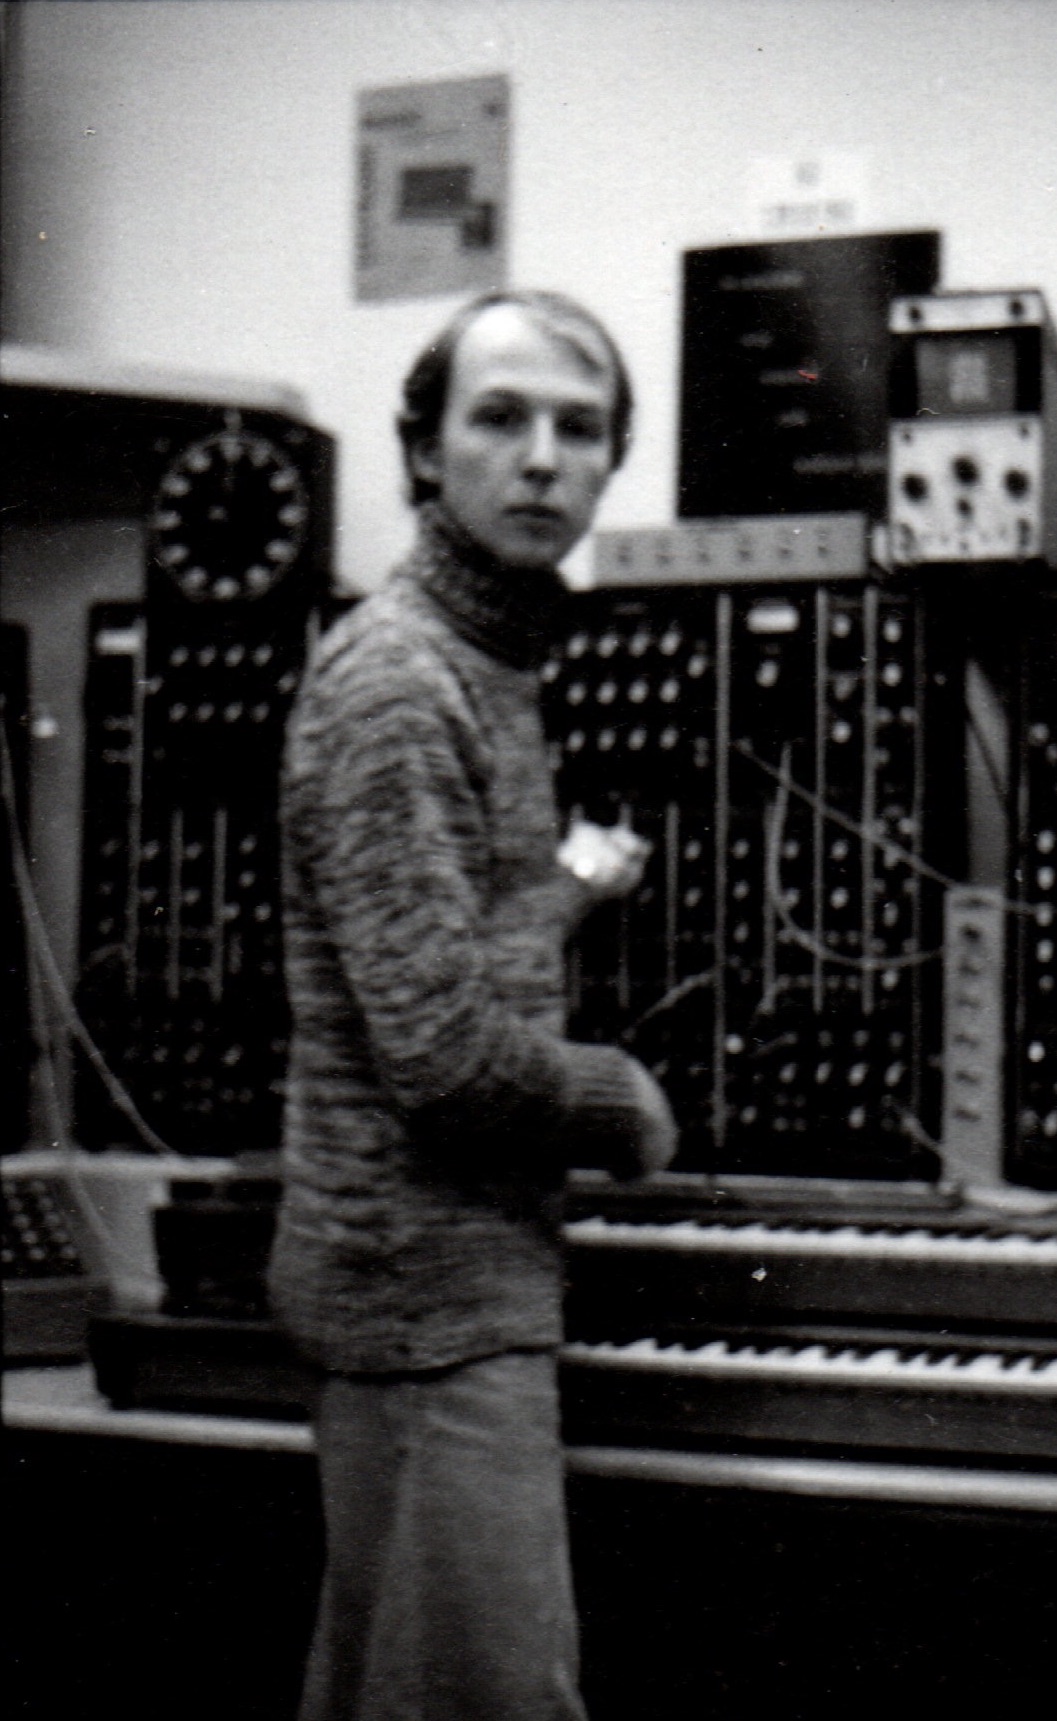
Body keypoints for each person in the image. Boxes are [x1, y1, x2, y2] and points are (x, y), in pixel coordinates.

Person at [268, 288, 678, 1721]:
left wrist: (562, 890)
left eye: (580, 427)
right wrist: (621, 1100)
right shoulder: (402, 681)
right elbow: (445, 1059)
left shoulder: (482, 660)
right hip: (425, 1301)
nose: (544, 458)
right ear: (424, 453)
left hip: (435, 1287)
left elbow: (438, 946)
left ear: (612, 460)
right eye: (501, 418)